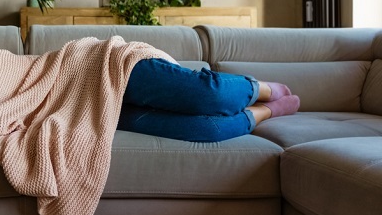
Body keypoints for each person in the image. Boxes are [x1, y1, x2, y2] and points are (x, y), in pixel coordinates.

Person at [117, 58, 300, 142]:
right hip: (99, 107)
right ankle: (264, 111)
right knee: (209, 128)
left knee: (208, 94)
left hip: (110, 67)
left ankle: (259, 88)